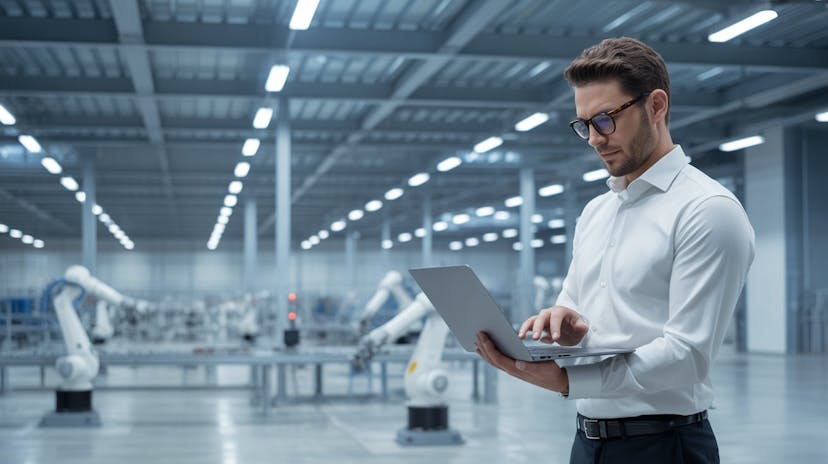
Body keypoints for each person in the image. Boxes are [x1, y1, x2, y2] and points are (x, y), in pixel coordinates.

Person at [474, 37, 755, 463]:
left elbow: (687, 356)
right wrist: (563, 323)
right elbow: (574, 302)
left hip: (663, 444)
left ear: (656, 106)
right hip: (588, 442)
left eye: (605, 120)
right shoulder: (597, 211)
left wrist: (570, 380)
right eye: (583, 124)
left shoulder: (706, 210)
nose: (593, 139)